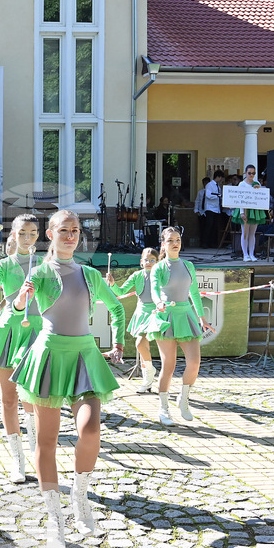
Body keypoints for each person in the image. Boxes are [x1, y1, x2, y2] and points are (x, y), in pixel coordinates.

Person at [11, 209, 125, 548]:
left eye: (75, 230)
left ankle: (80, 496)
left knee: (90, 429)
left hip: (84, 357)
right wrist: (21, 299)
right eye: (64, 230)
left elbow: (116, 308)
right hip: (49, 357)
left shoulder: (90, 274)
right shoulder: (41, 273)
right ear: (50, 233)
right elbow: (17, 310)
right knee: (46, 441)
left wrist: (118, 341)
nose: (71, 235)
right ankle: (55, 522)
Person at [0, 215, 41, 483]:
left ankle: (35, 448)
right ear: (13, 236)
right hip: (8, 331)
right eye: (22, 233)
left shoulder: (46, 264)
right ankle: (18, 459)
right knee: (9, 398)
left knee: (31, 396)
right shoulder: (3, 264)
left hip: (37, 332)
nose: (28, 238)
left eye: (33, 233)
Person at [148, 226, 209, 425]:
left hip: (186, 316)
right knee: (168, 366)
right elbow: (155, 289)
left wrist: (201, 317)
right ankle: (163, 407)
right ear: (163, 245)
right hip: (166, 317)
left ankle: (183, 400)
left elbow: (195, 293)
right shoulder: (158, 267)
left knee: (194, 362)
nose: (175, 243)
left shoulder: (188, 265)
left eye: (178, 240)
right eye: (171, 240)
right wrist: (158, 303)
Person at [107, 248, 160, 392]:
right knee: (142, 346)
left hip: (157, 313)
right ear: (141, 262)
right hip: (142, 313)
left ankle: (151, 375)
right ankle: (148, 379)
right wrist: (113, 283)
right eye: (146, 260)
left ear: (158, 262)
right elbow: (121, 291)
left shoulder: (160, 275)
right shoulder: (137, 276)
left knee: (145, 345)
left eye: (152, 260)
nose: (148, 263)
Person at [231, 164, 266, 262]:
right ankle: (245, 254)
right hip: (245, 209)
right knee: (245, 233)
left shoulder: (256, 182)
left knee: (252, 233)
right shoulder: (242, 184)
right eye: (249, 173)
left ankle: (252, 254)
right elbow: (240, 198)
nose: (251, 175)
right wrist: (242, 212)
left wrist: (259, 189)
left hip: (254, 210)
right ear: (245, 173)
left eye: (253, 173)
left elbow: (260, 196)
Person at [203, 169, 226, 248]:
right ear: (218, 177)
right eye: (221, 178)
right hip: (210, 208)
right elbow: (208, 195)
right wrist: (218, 195)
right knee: (209, 226)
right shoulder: (210, 185)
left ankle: (212, 243)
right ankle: (205, 243)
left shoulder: (218, 186)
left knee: (214, 227)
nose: (222, 180)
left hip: (216, 209)